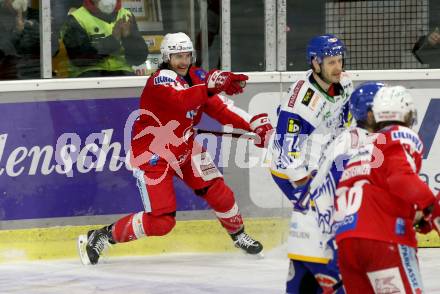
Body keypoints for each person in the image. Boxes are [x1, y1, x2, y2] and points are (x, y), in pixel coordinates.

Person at [77, 32, 274, 265]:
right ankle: (101, 236)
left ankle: (239, 235)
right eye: (177, 56)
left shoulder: (197, 76)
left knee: (220, 192)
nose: (183, 61)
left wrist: (252, 123)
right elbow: (183, 100)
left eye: (187, 55)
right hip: (153, 155)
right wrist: (210, 86)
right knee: (162, 223)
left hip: (186, 147)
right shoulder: (159, 80)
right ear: (166, 57)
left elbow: (220, 108)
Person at [267, 34, 353, 293]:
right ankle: (311, 276)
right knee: (320, 223)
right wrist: (307, 192)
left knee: (328, 221)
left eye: (339, 60)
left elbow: (345, 123)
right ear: (315, 64)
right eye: (330, 62)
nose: (338, 67)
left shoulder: (345, 82)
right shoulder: (303, 102)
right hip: (292, 171)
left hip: (321, 164)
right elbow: (285, 154)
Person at [334, 85, 440, 293]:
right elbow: (400, 179)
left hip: (346, 243)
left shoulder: (362, 148)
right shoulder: (400, 135)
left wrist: (415, 216)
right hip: (383, 240)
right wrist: (431, 208)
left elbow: (374, 193)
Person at [62, 0, 148, 78]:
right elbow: (78, 59)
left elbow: (138, 59)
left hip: (123, 73)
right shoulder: (76, 18)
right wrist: (114, 39)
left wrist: (128, 38)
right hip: (88, 75)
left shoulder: (126, 15)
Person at [0, 0, 40, 80]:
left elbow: (53, 49)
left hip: (35, 74)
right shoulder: (2, 16)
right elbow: (3, 49)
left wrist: (37, 30)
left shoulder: (36, 15)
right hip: (8, 75)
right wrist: (18, 31)